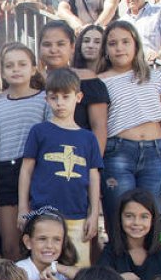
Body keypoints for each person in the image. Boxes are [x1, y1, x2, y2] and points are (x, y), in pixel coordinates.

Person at [99, 21, 161, 228]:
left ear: (136, 45)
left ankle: (149, 260)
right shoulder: (100, 81)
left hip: (153, 155)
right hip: (117, 153)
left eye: (125, 42)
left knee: (151, 216)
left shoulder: (156, 77)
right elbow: (100, 126)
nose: (119, 47)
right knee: (120, 216)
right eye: (112, 43)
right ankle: (119, 260)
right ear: (105, 49)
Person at [19, 68, 104, 266]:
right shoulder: (39, 131)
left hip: (77, 215)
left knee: (78, 272)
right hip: (42, 215)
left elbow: (93, 176)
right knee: (44, 269)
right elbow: (26, 170)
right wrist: (23, 207)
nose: (60, 103)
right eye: (53, 97)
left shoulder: (88, 138)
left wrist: (94, 213)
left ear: (79, 97)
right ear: (46, 99)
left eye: (66, 97)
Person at [0, 43, 50, 259]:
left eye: (22, 64)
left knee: (35, 238)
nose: (16, 69)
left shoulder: (44, 100)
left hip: (35, 171)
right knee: (9, 245)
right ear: (3, 72)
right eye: (10, 66)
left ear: (33, 68)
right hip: (5, 172)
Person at [37, 20, 109, 152]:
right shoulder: (31, 81)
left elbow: (99, 127)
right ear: (39, 48)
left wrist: (94, 165)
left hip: (79, 157)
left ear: (72, 47)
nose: (54, 50)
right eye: (47, 44)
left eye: (60, 44)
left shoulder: (87, 79)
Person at [97, 190, 161, 280]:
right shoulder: (111, 251)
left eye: (144, 217)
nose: (136, 222)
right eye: (129, 216)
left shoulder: (160, 254)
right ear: (119, 218)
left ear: (153, 220)